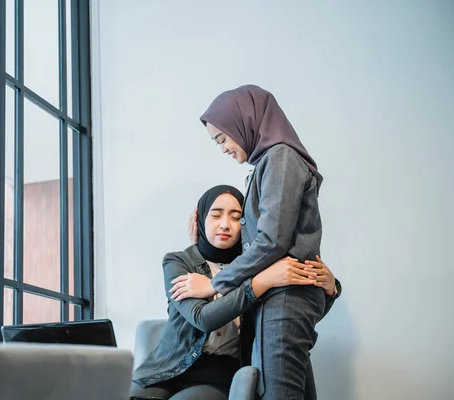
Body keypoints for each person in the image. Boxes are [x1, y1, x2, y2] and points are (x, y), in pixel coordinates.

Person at [168, 85, 339, 400]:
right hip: (280, 298)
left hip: (284, 299)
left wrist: (214, 283)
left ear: (244, 123)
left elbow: (272, 240)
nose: (223, 148)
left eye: (222, 138)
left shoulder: (281, 157)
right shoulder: (270, 162)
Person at [131, 185, 340, 400]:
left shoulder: (258, 267)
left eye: (235, 217)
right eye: (216, 215)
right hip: (165, 369)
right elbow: (202, 318)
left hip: (219, 375)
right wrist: (258, 284)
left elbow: (289, 318)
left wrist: (331, 289)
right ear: (200, 218)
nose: (225, 225)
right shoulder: (179, 262)